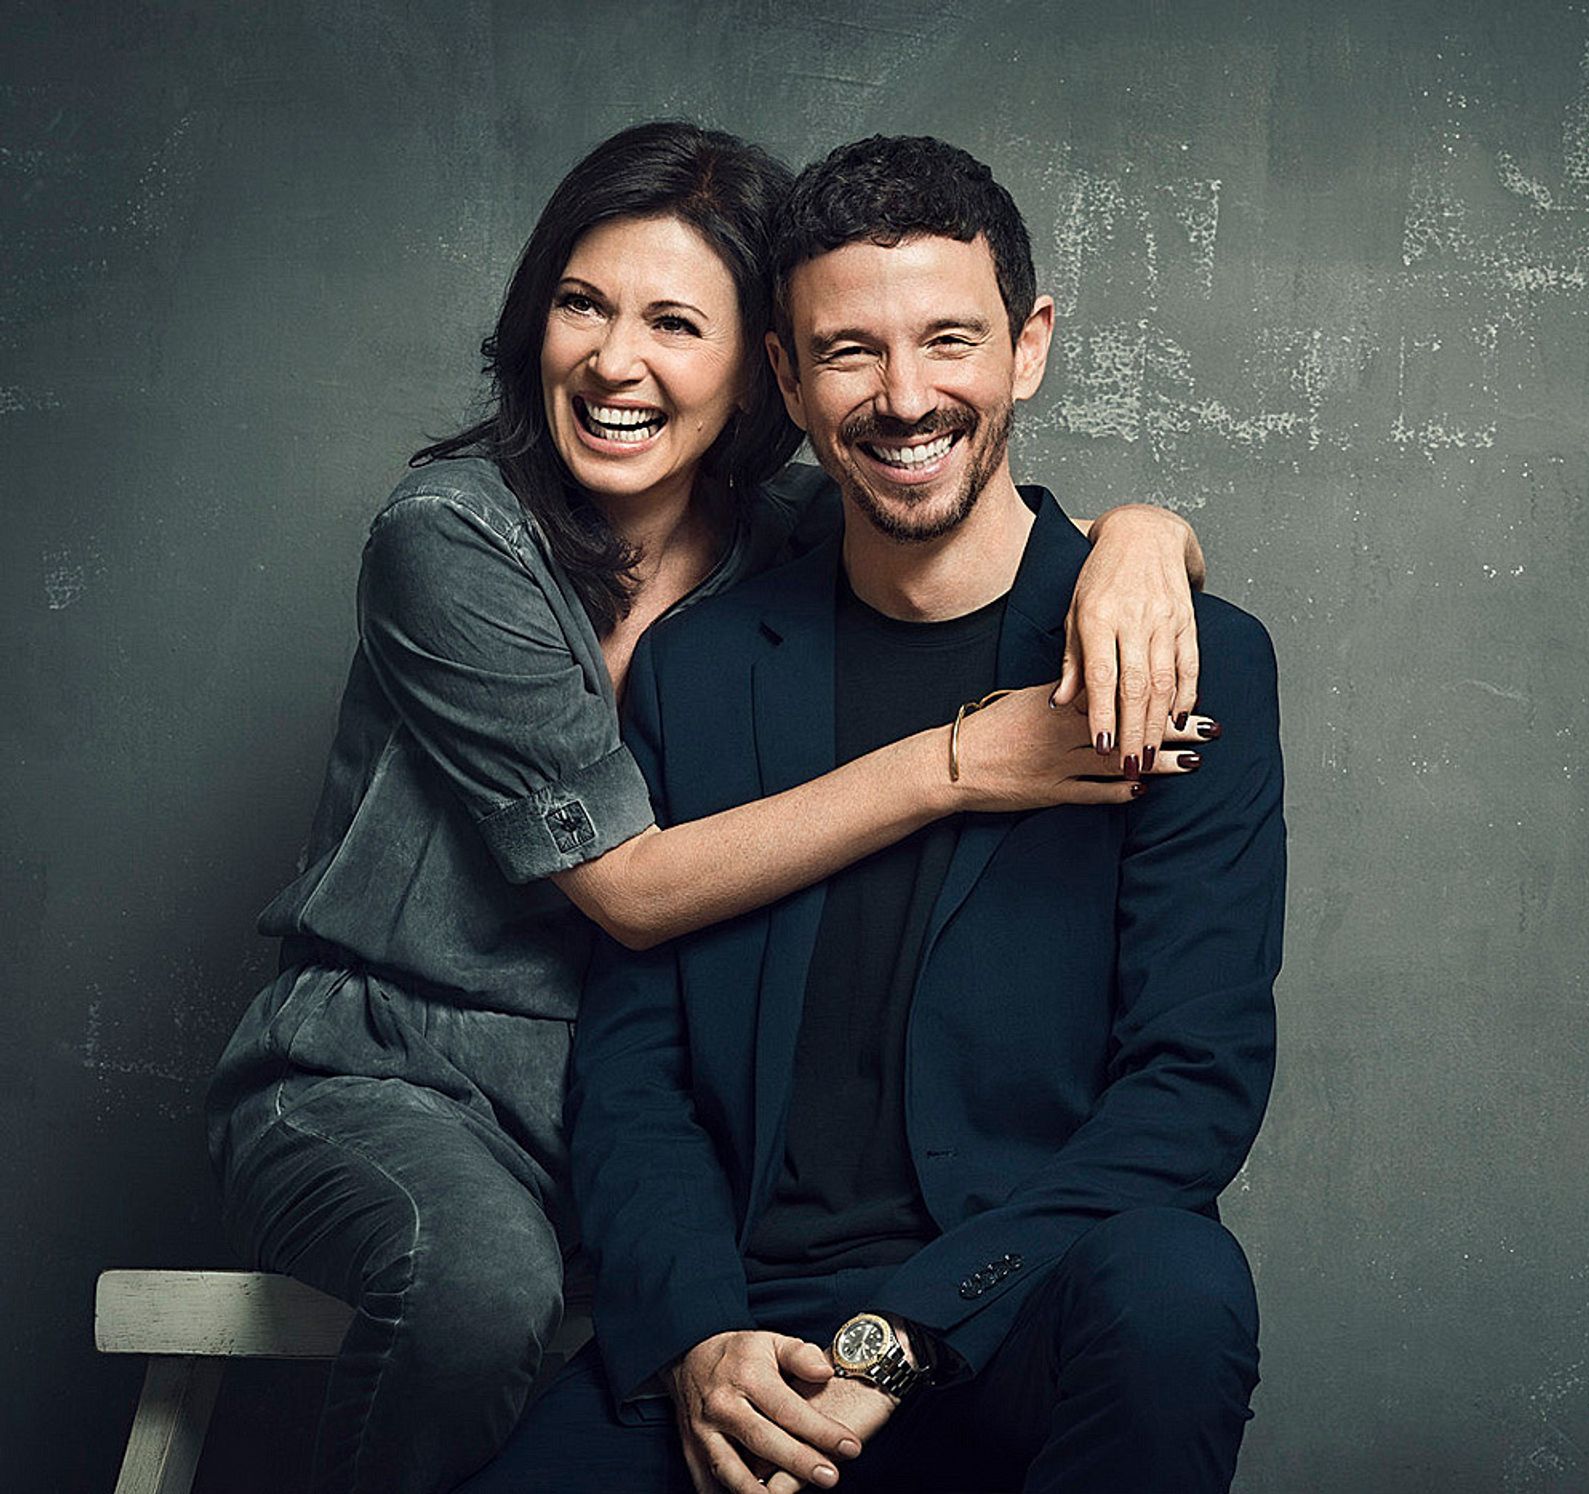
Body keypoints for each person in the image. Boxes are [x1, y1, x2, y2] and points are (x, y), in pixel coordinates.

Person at [203, 121, 1219, 1494]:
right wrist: (958, 762)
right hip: (393, 1072)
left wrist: (1150, 538)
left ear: (764, 371)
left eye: (676, 323)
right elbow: (630, 888)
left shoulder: (781, 530)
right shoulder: (451, 536)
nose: (615, 362)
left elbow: (966, 504)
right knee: (479, 1288)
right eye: (582, 305)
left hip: (603, 1115)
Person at [467, 134, 1285, 1494]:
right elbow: (634, 1069)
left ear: (1028, 347)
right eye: (850, 352)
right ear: (787, 379)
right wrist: (696, 1337)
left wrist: (904, 1335)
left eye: (948, 341)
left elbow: (1192, 1084)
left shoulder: (1187, 656)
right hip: (754, 1320)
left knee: (1180, 1291)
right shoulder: (699, 671)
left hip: (1017, 1302)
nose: (906, 399)